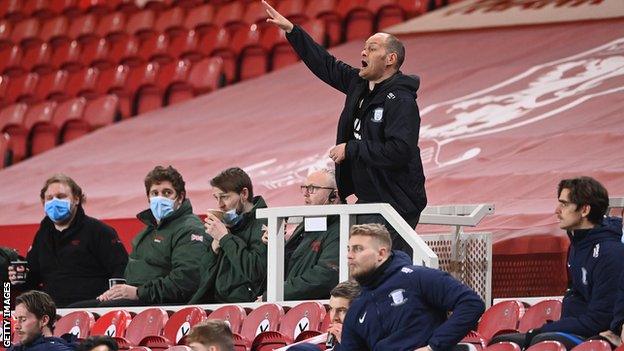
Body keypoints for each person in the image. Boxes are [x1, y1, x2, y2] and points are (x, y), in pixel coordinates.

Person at [263, 1, 426, 256]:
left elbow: (399, 151)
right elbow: (325, 64)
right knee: (361, 268)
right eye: (363, 48)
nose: (363, 53)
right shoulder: (358, 84)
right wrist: (293, 32)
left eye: (372, 49)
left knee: (378, 269)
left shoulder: (402, 101)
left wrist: (351, 149)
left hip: (395, 202)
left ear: (390, 59)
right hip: (368, 200)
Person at [491, 177, 624, 349]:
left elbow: (600, 319)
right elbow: (576, 300)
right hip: (578, 329)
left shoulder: (610, 253)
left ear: (584, 210)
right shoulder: (577, 244)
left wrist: (543, 330)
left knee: (542, 340)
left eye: (564, 204)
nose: (557, 210)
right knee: (501, 342)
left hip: (597, 335)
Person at [70, 166, 207, 307]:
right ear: (148, 197)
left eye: (167, 193)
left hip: (164, 304)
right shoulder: (147, 231)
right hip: (140, 298)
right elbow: (133, 276)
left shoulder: (190, 228)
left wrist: (138, 292)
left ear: (180, 197)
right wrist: (117, 292)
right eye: (155, 193)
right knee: (77, 310)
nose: (160, 198)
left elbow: (185, 281)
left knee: (104, 311)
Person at [340, 223, 484, 350]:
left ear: (381, 253)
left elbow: (471, 303)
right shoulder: (357, 307)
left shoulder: (417, 278)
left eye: (358, 249)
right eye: (348, 249)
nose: (349, 255)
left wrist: (433, 347)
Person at [7, 174, 128, 307]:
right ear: (43, 203)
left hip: (92, 310)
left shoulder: (99, 231)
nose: (54, 202)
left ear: (76, 199)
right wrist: (19, 278)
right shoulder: (41, 236)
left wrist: (110, 300)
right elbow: (33, 278)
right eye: (49, 198)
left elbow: (121, 269)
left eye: (61, 196)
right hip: (52, 311)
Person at [189, 167, 268, 303]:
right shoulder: (225, 225)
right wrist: (214, 249)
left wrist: (225, 238)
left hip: (245, 307)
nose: (220, 205)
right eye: (216, 198)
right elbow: (201, 277)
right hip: (214, 304)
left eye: (224, 197)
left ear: (244, 194)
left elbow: (255, 272)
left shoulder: (266, 223)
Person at [282, 169, 341, 300]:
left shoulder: (340, 228)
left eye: (313, 188)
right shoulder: (310, 223)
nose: (306, 194)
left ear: (334, 196)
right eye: (305, 188)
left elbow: (325, 276)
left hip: (314, 307)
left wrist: (278, 292)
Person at [9, 290, 74, 350]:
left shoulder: (56, 348)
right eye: (16, 319)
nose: (16, 326)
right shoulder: (16, 348)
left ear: (44, 321)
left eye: (23, 319)